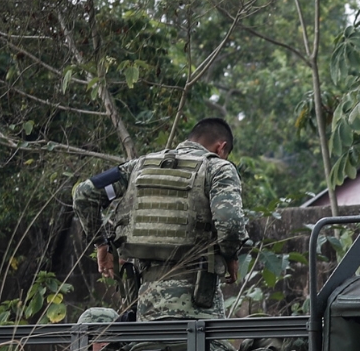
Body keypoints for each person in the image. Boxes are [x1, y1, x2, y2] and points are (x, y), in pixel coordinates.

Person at [72, 118, 247, 321]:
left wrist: (102, 245)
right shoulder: (218, 168)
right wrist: (231, 256)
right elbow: (230, 224)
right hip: (199, 307)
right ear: (221, 148)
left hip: (147, 305)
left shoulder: (138, 167)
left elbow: (84, 194)